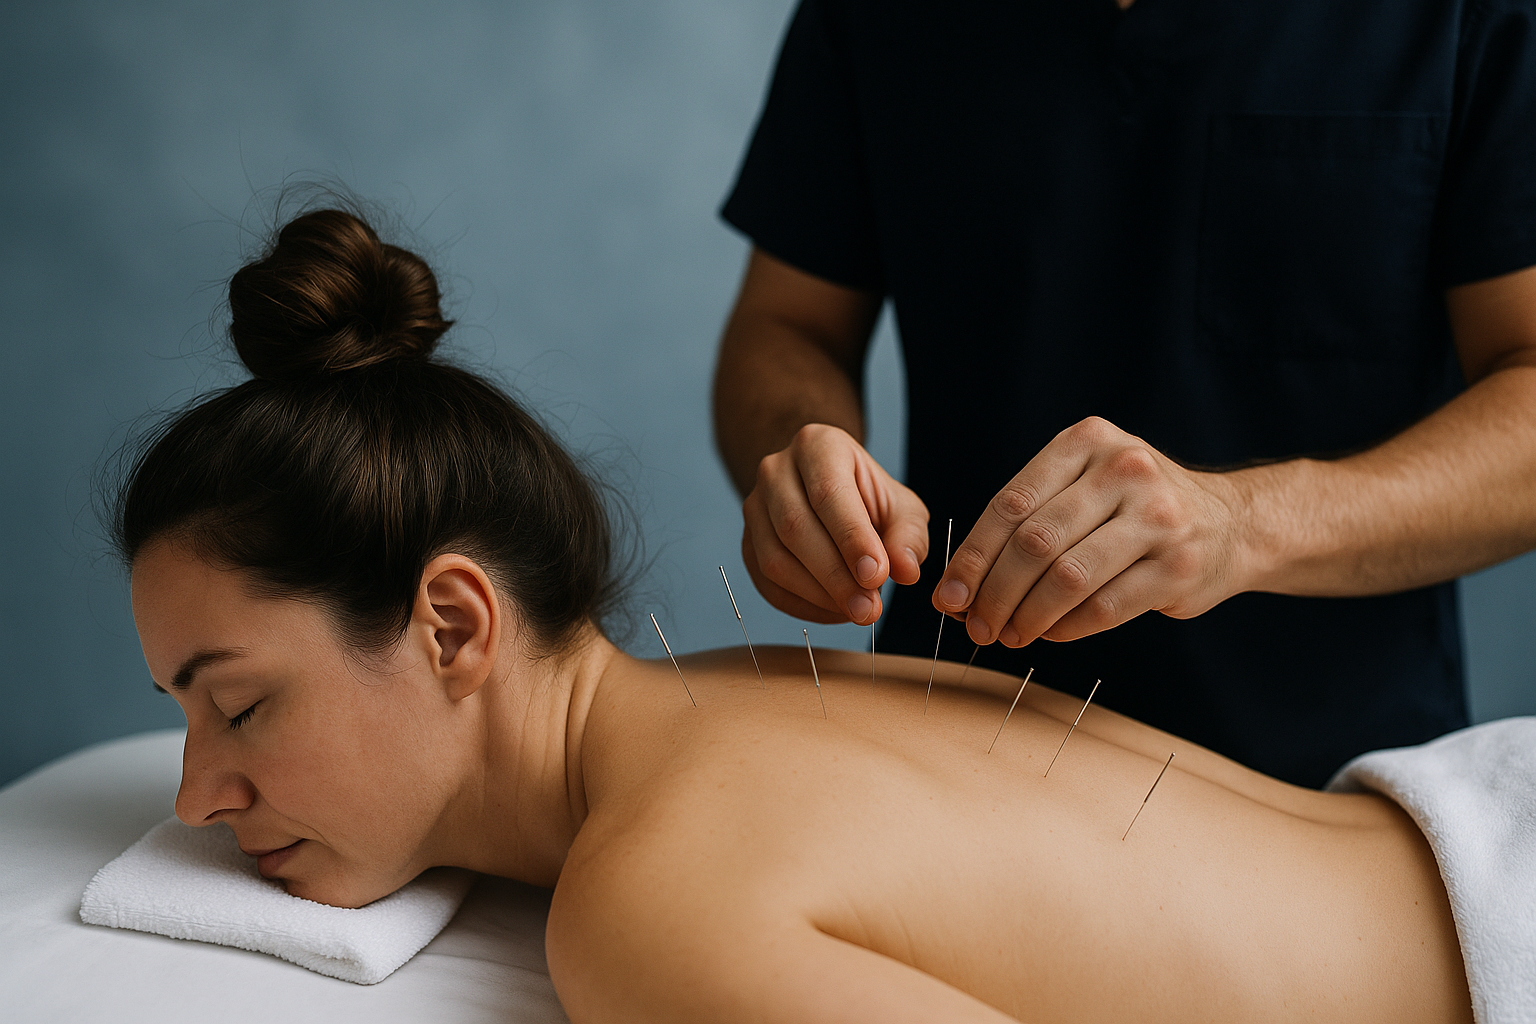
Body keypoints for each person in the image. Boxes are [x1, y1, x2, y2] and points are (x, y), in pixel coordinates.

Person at [117, 207, 1474, 1022]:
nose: (196, 795)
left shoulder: (650, 903)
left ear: (456, 624)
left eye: (238, 703)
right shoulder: (744, 696)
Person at [712, 0, 1536, 787]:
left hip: (1338, 794)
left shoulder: (1471, 16)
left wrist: (1244, 525)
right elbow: (789, 326)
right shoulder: (874, 11)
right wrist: (804, 460)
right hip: (949, 757)